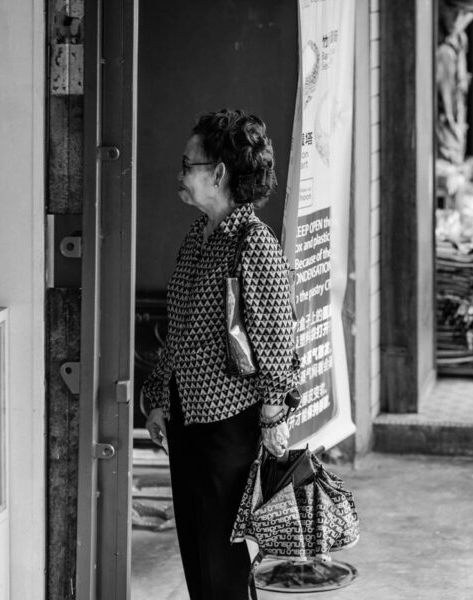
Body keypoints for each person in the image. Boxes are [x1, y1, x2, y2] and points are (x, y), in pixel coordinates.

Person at [142, 108, 299, 599]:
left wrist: (274, 418)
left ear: (219, 173)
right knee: (196, 546)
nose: (180, 175)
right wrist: (158, 398)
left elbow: (277, 339)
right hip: (189, 414)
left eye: (188, 165)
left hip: (228, 423)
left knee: (220, 554)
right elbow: (182, 327)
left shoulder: (254, 244)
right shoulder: (198, 237)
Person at [436, 0, 473, 166]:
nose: (456, 20)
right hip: (439, 148)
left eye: (464, 14)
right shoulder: (438, 47)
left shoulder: (460, 39)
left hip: (454, 144)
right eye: (452, 11)